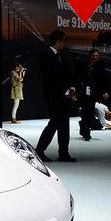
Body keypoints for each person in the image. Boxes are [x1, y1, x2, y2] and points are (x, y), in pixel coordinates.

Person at [35, 30, 77, 162]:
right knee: (54, 123)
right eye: (64, 41)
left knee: (64, 124)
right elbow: (52, 78)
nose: (65, 44)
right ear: (58, 41)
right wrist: (65, 90)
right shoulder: (47, 55)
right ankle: (39, 150)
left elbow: (65, 74)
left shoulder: (59, 55)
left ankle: (63, 153)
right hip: (54, 96)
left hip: (62, 96)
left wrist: (70, 88)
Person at [75, 49, 109, 141]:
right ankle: (86, 132)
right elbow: (77, 78)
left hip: (93, 93)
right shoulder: (83, 65)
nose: (95, 57)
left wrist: (105, 92)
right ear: (89, 56)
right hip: (83, 92)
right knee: (85, 112)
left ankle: (85, 131)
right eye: (93, 55)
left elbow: (103, 80)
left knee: (89, 113)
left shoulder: (99, 66)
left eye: (96, 56)